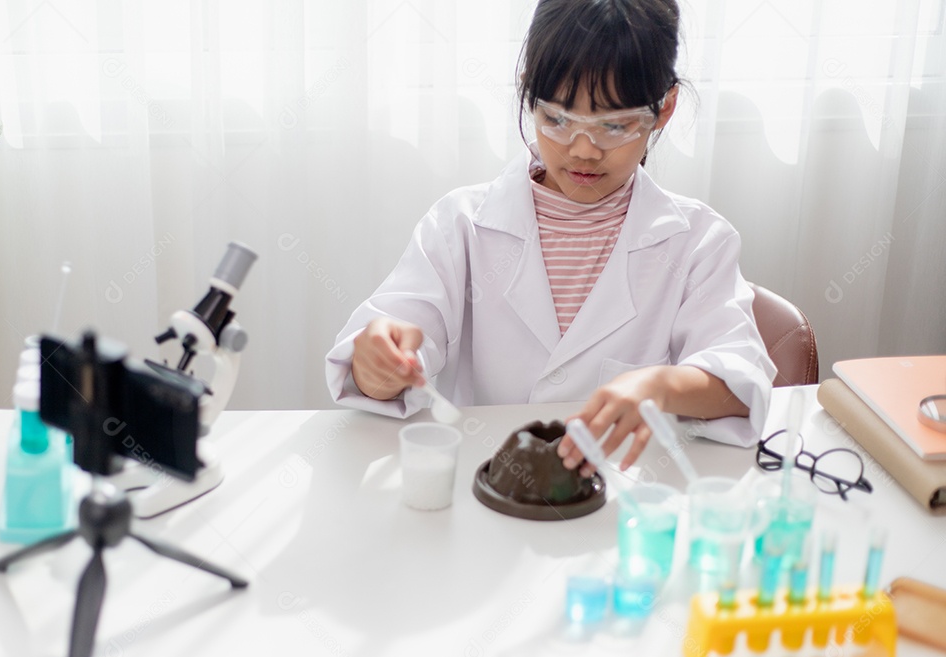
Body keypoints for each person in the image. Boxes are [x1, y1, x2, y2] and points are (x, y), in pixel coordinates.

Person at [325, 0, 776, 472]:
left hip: (618, 502)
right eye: (558, 119)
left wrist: (660, 387)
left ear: (664, 110)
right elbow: (375, 370)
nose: (584, 150)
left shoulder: (698, 242)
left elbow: (740, 384)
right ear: (528, 96)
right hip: (487, 490)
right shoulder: (460, 224)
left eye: (615, 125)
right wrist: (378, 362)